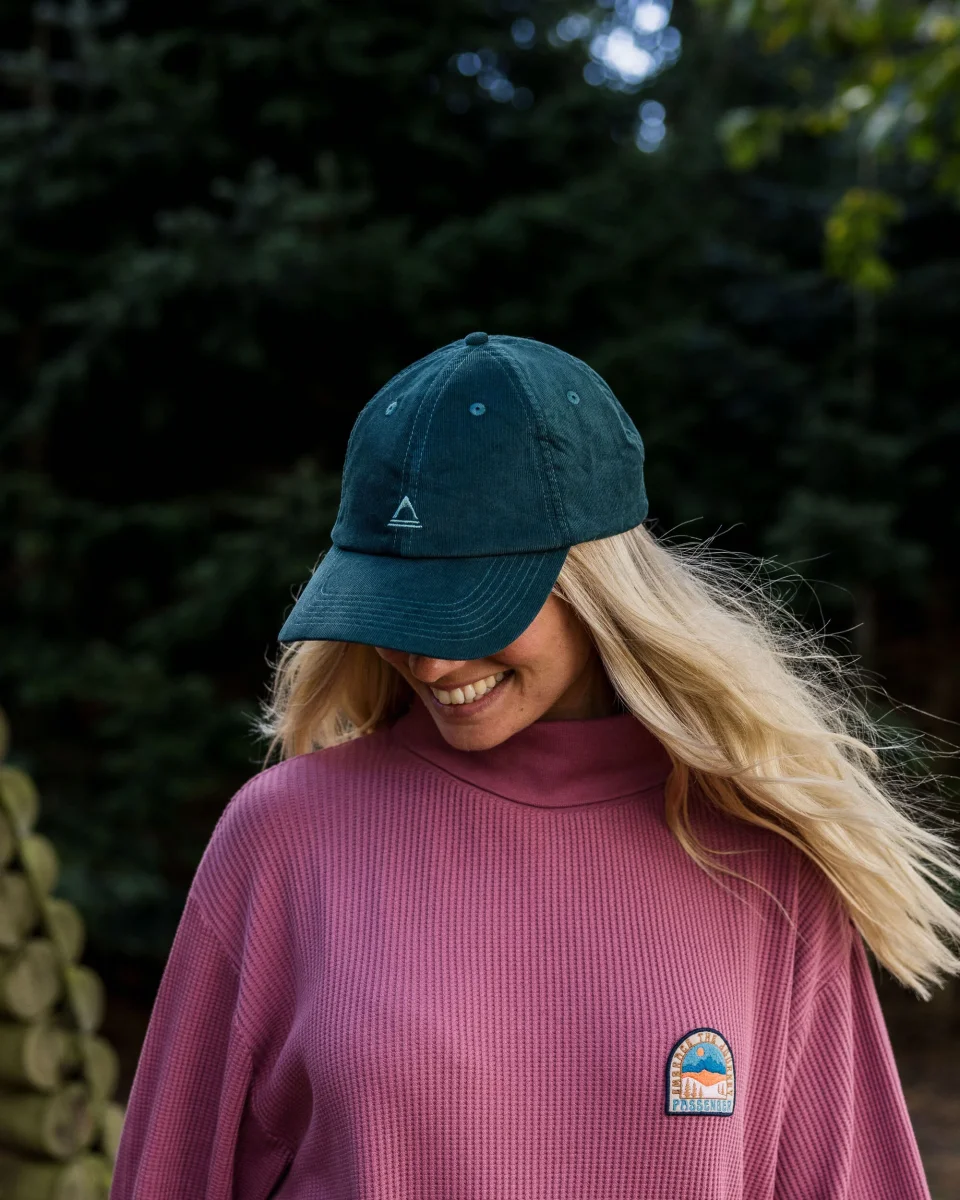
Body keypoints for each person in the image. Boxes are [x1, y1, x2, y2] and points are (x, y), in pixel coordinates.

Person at [110, 332, 959, 1200]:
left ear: (596, 585)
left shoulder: (764, 859)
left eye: (470, 608)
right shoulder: (284, 837)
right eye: (398, 607)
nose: (429, 661)